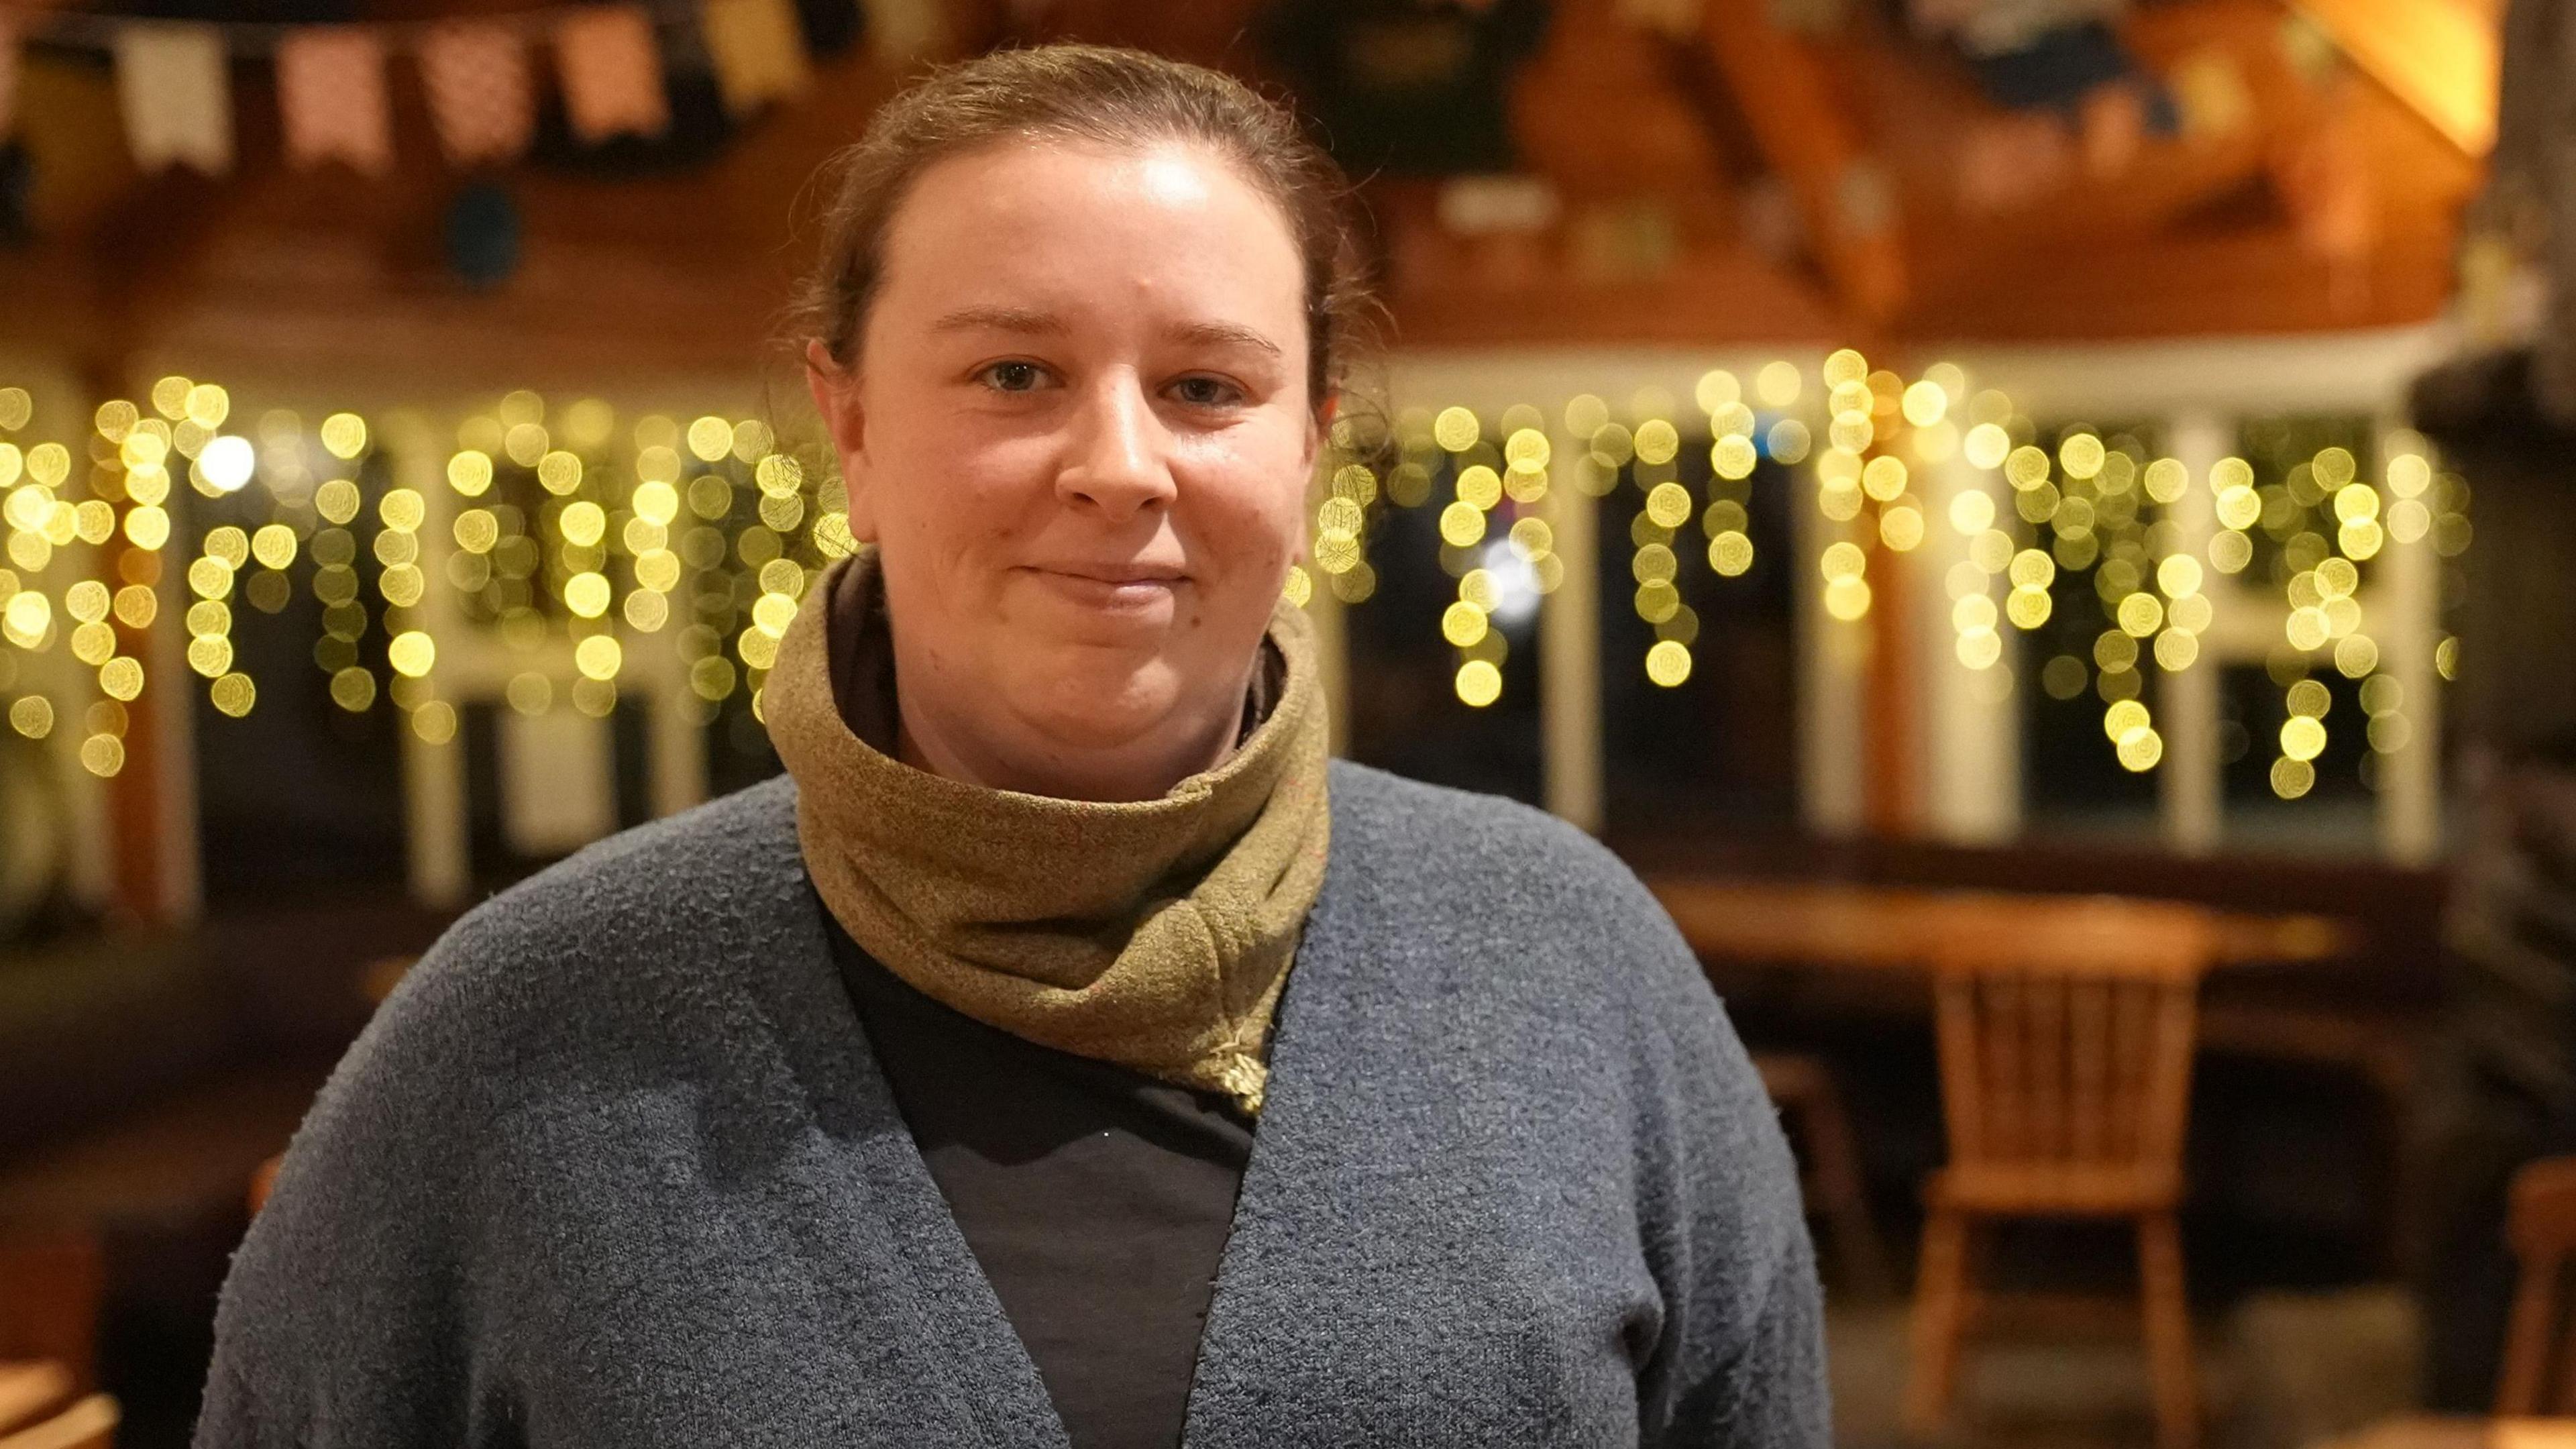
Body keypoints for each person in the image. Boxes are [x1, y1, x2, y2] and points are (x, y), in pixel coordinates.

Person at [195, 44, 1827, 1448]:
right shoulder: (524, 1033)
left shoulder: (1570, 962)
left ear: (1313, 442)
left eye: (1205, 385)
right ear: (850, 422)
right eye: (1016, 372)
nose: (1121, 465)